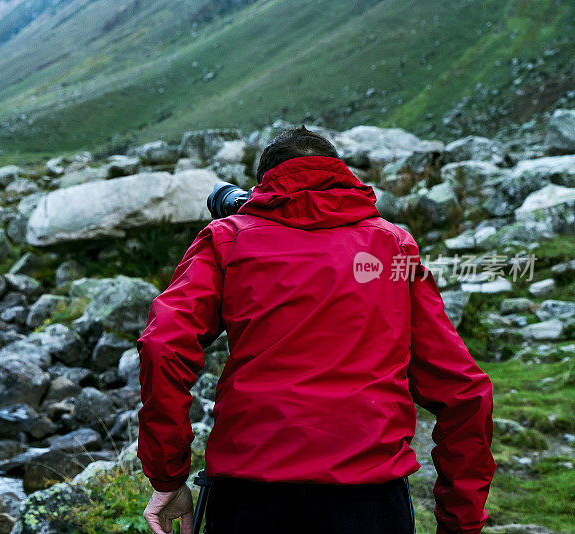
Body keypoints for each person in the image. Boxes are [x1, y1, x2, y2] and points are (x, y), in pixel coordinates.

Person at [136, 127, 495, 534]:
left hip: (249, 494)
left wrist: (168, 477)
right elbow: (464, 391)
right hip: (368, 499)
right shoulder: (394, 246)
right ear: (340, 175)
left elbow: (163, 345)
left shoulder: (227, 238)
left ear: (264, 186)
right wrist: (460, 522)